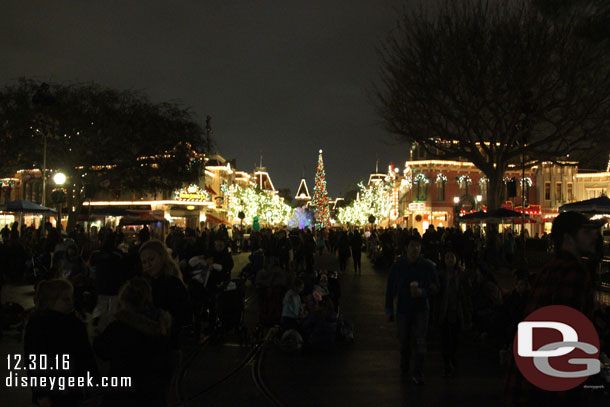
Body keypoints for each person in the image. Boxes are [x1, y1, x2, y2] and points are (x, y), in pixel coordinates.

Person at [504, 211, 606, 406]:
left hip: (529, 378)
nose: (594, 236)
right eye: (586, 232)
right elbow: (569, 337)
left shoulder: (551, 268)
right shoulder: (574, 273)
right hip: (551, 383)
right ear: (568, 238)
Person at [93, 277, 172, 407]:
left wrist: (97, 332)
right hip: (151, 391)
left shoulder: (118, 327)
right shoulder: (160, 325)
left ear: (123, 300)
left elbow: (102, 351)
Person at [24, 279, 98, 407]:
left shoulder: (75, 322)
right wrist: (42, 393)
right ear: (51, 301)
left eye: (71, 298)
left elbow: (85, 355)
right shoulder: (39, 324)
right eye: (66, 299)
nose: (71, 302)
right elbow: (35, 360)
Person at [385, 235, 438, 385]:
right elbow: (390, 288)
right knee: (404, 340)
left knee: (420, 340)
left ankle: (419, 372)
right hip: (403, 308)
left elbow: (436, 287)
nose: (415, 249)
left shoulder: (427, 266)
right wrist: (389, 309)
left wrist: (423, 292)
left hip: (421, 309)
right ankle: (405, 365)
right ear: (406, 247)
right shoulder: (398, 266)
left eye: (417, 246)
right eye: (412, 245)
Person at [140, 240, 189, 354]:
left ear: (162, 258)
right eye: (144, 262)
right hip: (146, 344)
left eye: (152, 259)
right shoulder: (142, 283)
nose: (148, 265)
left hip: (167, 344)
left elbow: (182, 315)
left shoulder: (174, 284)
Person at [437, 250, 466, 377]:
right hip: (445, 309)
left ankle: (452, 359)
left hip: (456, 309)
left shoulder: (460, 275)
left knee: (455, 337)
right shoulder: (441, 275)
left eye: (451, 258)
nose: (449, 260)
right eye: (447, 257)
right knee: (445, 338)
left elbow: (465, 291)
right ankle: (447, 361)